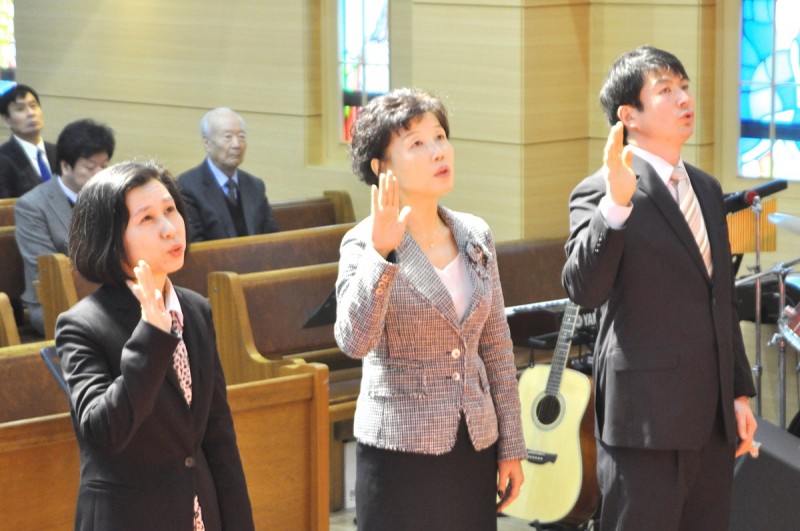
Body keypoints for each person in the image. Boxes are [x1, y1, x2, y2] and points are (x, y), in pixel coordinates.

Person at [561, 45, 757, 531]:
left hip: (710, 420)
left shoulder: (707, 188)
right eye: (665, 90)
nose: (683, 98)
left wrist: (738, 394)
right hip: (644, 421)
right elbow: (584, 288)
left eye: (684, 86)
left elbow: (720, 298)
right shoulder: (601, 190)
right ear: (630, 116)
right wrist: (617, 205)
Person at [334, 88, 525, 531]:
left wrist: (511, 445)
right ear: (382, 168)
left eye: (440, 136)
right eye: (416, 143)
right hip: (398, 452)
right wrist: (382, 254)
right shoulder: (362, 243)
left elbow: (495, 344)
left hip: (473, 444)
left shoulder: (475, 234)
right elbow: (353, 340)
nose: (438, 151)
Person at [56, 161, 255, 530]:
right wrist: (151, 336)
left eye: (170, 210)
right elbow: (104, 434)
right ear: (111, 238)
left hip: (199, 513)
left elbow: (217, 434)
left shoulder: (195, 309)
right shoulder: (82, 324)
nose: (169, 228)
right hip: (130, 518)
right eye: (147, 219)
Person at [14, 118, 115, 335]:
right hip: (54, 302)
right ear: (65, 166)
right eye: (90, 167)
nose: (100, 173)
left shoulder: (112, 198)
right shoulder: (32, 206)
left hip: (110, 293)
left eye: (104, 166)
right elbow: (45, 274)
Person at [177, 107, 278, 242]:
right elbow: (196, 246)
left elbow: (272, 238)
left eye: (241, 137)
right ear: (207, 142)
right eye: (228, 137)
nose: (237, 144)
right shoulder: (187, 187)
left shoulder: (255, 186)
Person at [0, 83, 57, 198]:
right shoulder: (3, 159)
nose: (31, 113)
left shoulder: (59, 152)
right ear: (7, 120)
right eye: (20, 109)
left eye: (33, 106)